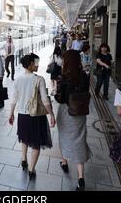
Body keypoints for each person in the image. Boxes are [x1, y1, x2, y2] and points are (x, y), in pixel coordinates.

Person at [8, 53, 56, 180]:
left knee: (24, 137)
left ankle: (24, 159)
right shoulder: (39, 79)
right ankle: (31, 169)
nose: (37, 65)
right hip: (36, 116)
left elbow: (14, 98)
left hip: (22, 116)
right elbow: (45, 100)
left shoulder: (18, 79)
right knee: (36, 143)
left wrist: (11, 113)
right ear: (30, 64)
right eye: (36, 63)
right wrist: (51, 114)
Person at [55, 50, 91, 190]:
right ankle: (81, 177)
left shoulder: (63, 77)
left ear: (67, 61)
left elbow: (60, 98)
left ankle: (64, 162)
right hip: (80, 112)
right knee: (79, 139)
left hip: (66, 111)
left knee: (63, 136)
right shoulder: (84, 76)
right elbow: (86, 92)